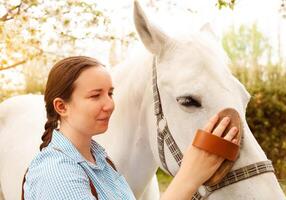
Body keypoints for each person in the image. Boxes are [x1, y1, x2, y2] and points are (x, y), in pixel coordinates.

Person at [22, 56, 238, 200]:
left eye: (110, 93)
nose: (109, 105)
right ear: (62, 106)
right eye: (95, 95)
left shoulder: (101, 162)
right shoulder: (56, 173)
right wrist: (187, 178)